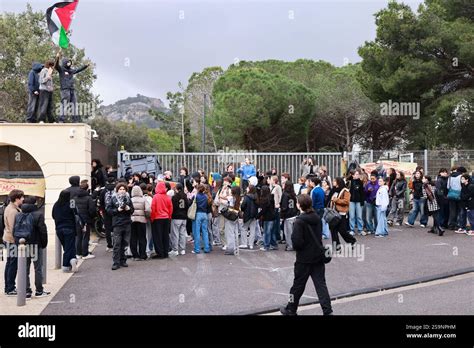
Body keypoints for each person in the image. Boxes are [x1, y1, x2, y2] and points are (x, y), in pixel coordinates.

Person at [280, 194, 333, 316]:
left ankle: (291, 308)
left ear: (299, 205)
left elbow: (297, 242)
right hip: (318, 257)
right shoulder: (317, 219)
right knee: (321, 286)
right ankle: (327, 310)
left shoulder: (299, 221)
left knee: (297, 286)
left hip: (304, 259)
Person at [17, 196, 50, 298]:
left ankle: (26, 291)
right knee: (38, 268)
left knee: (24, 268)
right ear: (34, 203)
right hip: (35, 245)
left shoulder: (19, 215)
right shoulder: (38, 214)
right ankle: (39, 290)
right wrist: (44, 243)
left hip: (23, 245)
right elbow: (42, 231)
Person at [106, 183, 134, 270]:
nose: (122, 191)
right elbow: (108, 210)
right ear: (117, 190)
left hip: (127, 223)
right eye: (120, 189)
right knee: (117, 243)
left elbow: (132, 210)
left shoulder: (128, 199)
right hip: (117, 224)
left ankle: (123, 260)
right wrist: (117, 210)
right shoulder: (113, 199)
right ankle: (116, 262)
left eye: (124, 189)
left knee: (125, 243)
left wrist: (129, 209)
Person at [55, 53, 89, 123]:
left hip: (72, 90)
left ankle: (75, 120)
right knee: (64, 104)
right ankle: (61, 120)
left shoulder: (71, 70)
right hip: (65, 90)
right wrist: (57, 58)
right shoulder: (61, 69)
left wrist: (85, 66)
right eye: (68, 62)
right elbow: (56, 65)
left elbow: (78, 69)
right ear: (65, 63)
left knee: (74, 105)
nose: (69, 63)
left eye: (70, 62)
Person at [3, 189, 24, 296]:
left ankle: (8, 286)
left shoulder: (11, 208)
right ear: (17, 199)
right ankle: (10, 287)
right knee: (12, 264)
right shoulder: (13, 211)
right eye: (22, 197)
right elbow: (13, 228)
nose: (23, 199)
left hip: (9, 239)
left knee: (10, 263)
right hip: (12, 240)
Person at [52, 190, 78, 273]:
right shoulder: (70, 204)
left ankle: (72, 260)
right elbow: (75, 214)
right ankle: (66, 265)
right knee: (69, 247)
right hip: (69, 228)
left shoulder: (56, 205)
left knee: (66, 247)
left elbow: (53, 215)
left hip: (59, 229)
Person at [329, 177, 357, 250]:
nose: (333, 182)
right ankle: (336, 246)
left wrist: (336, 200)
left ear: (338, 182)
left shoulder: (345, 191)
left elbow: (346, 201)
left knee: (342, 230)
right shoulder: (334, 190)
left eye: (334, 181)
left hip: (341, 213)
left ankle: (352, 240)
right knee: (333, 229)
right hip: (333, 212)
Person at [150, 182, 173, 259]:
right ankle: (165, 252)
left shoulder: (155, 197)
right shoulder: (168, 197)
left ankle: (160, 253)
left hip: (157, 218)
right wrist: (169, 217)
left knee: (157, 236)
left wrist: (152, 218)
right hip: (166, 218)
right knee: (165, 235)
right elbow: (170, 208)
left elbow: (153, 208)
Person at [74, 180, 96, 259]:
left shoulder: (75, 198)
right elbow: (92, 210)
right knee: (85, 237)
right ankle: (85, 253)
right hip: (86, 220)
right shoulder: (88, 198)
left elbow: (72, 208)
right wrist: (91, 217)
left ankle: (78, 253)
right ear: (87, 189)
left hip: (77, 220)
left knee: (78, 236)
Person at [130, 185, 150, 260]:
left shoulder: (130, 200)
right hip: (142, 220)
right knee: (142, 238)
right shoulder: (144, 200)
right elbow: (148, 210)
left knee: (133, 238)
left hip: (132, 221)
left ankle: (135, 255)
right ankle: (142, 254)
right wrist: (146, 216)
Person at [170, 183, 189, 256]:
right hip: (184, 217)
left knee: (175, 234)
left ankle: (175, 249)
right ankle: (183, 249)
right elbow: (187, 206)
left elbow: (173, 208)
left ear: (177, 189)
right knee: (182, 234)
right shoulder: (185, 196)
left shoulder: (174, 197)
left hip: (176, 217)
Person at [192, 184, 212, 254]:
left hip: (198, 214)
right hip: (205, 214)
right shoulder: (206, 197)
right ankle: (207, 248)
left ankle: (197, 249)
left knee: (197, 232)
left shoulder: (196, 196)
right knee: (205, 232)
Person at [222, 185, 241, 255]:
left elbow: (221, 197)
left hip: (230, 217)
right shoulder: (239, 198)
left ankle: (230, 249)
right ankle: (236, 248)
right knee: (235, 233)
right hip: (236, 216)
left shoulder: (231, 198)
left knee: (229, 233)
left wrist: (224, 189)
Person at [257, 185, 277, 251]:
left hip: (267, 217)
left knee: (266, 232)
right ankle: (273, 244)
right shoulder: (271, 197)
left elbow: (263, 210)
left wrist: (258, 216)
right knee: (272, 232)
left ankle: (266, 246)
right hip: (273, 216)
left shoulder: (264, 199)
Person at [99, 176, 116, 252]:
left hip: (106, 211)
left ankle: (109, 245)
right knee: (116, 228)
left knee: (107, 229)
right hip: (115, 211)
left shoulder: (103, 191)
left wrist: (102, 210)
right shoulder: (116, 189)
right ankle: (116, 243)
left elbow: (101, 202)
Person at [281, 181, 298, 251]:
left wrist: (282, 215)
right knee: (293, 232)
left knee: (288, 232)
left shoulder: (285, 194)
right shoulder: (293, 194)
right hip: (294, 214)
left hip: (288, 215)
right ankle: (294, 244)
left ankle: (290, 246)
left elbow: (284, 206)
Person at [448, 166, 467, 233]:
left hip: (451, 195)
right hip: (459, 195)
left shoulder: (450, 177)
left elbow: (448, 186)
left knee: (452, 211)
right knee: (460, 211)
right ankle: (459, 225)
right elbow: (462, 185)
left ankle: (451, 225)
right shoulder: (461, 177)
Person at [239, 185, 258, 249]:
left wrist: (242, 209)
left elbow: (243, 206)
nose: (246, 188)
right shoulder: (256, 197)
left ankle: (244, 243)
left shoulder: (246, 197)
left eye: (247, 188)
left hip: (247, 215)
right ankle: (251, 244)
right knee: (252, 230)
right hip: (254, 215)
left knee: (244, 228)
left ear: (250, 189)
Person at [349, 170, 365, 235]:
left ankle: (360, 229)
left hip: (358, 201)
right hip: (351, 201)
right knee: (352, 216)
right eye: (356, 174)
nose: (357, 175)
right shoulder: (350, 182)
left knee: (359, 216)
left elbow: (362, 192)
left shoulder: (360, 182)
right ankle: (352, 229)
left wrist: (362, 201)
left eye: (358, 174)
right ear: (353, 175)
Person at [364, 171, 379, 235]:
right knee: (368, 217)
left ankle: (377, 229)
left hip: (376, 203)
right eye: (371, 178)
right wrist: (368, 191)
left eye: (373, 179)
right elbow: (364, 193)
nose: (372, 180)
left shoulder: (378, 184)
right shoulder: (368, 184)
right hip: (369, 202)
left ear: (376, 178)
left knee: (376, 217)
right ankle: (371, 229)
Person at [268, 175, 282, 243]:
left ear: (274, 180)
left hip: (276, 206)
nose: (270, 180)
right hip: (272, 206)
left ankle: (277, 236)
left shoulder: (278, 187)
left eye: (271, 179)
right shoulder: (271, 187)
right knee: (274, 222)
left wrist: (279, 204)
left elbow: (280, 196)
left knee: (276, 222)